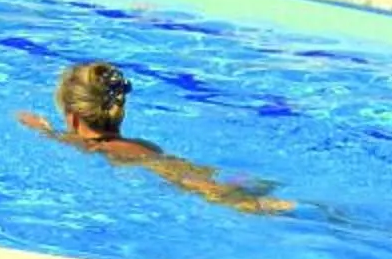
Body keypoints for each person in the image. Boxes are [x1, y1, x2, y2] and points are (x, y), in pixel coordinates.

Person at [17, 61, 293, 214]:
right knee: (214, 179)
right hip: (177, 164)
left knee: (215, 192)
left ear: (73, 118)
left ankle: (266, 204)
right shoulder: (140, 144)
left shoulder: (96, 146)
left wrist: (43, 129)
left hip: (172, 173)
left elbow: (70, 140)